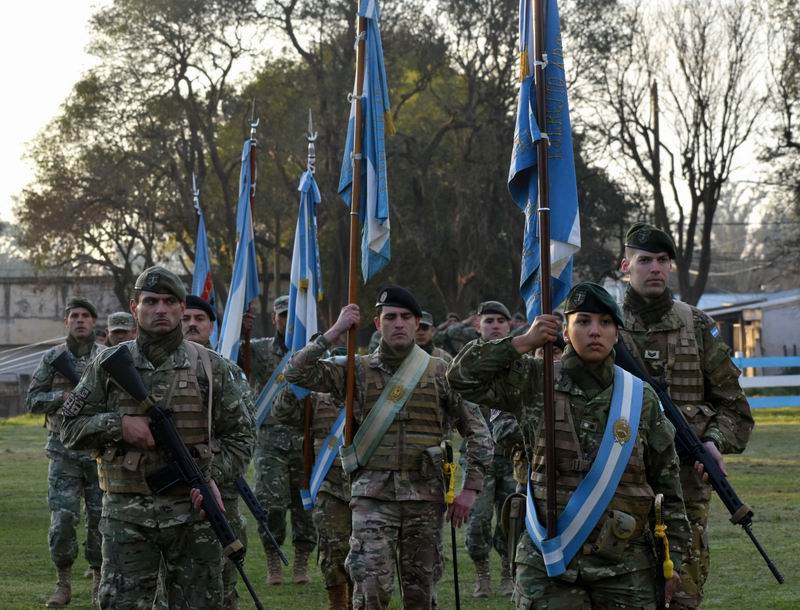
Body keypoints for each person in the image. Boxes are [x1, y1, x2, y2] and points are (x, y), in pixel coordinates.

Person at [447, 282, 691, 609]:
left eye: (605, 323)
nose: (595, 331)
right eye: (583, 321)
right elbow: (461, 377)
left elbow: (667, 485)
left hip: (626, 565)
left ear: (617, 333)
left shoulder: (639, 397)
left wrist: (673, 561)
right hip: (548, 559)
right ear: (565, 330)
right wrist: (523, 341)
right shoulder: (535, 380)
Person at [59, 266, 255, 610]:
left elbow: (242, 436)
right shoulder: (107, 365)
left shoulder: (212, 367)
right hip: (126, 517)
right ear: (135, 307)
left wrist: (212, 476)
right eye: (150, 301)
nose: (160, 309)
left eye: (168, 301)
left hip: (193, 517)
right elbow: (69, 429)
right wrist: (119, 425)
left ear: (182, 307)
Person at [285, 286, 492, 610]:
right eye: (390, 317)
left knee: (420, 593)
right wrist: (335, 331)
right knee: (370, 590)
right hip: (371, 496)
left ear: (417, 323)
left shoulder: (441, 371)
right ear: (377, 324)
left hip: (424, 498)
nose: (398, 323)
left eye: (406, 317)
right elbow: (296, 372)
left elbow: (478, 432)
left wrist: (470, 489)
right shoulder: (356, 369)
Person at [620, 223, 754, 609]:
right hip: (618, 486)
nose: (656, 268)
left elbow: (735, 407)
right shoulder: (601, 326)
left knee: (682, 597)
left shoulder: (696, 325)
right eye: (645, 260)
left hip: (684, 493)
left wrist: (713, 440)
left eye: (663, 260)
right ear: (625, 265)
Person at [26, 297, 106, 608]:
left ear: (94, 322)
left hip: (98, 451)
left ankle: (99, 581)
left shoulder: (107, 357)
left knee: (101, 521)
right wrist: (64, 396)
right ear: (66, 322)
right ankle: (63, 583)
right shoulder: (52, 358)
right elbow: (32, 400)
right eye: (74, 315)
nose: (80, 320)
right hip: (63, 450)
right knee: (62, 522)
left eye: (86, 315)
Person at [182, 294, 253, 610]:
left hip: (219, 493)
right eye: (186, 318)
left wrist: (208, 475)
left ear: (212, 327)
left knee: (224, 580)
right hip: (165, 496)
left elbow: (244, 435)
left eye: (199, 319)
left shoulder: (229, 372)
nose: (192, 324)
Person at [244, 295, 316, 585]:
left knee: (304, 505)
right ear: (274, 318)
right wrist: (242, 330)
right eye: (282, 315)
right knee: (270, 503)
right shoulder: (259, 350)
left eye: (292, 315)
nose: (287, 320)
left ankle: (301, 563)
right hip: (270, 439)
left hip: (304, 438)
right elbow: (232, 357)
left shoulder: (313, 350)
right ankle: (274, 560)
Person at [272, 386, 352, 609]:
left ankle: (359, 601)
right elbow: (281, 411)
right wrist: (296, 380)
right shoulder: (315, 401)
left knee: (364, 553)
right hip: (330, 488)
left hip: (367, 486)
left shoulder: (369, 394)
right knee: (332, 548)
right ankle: (338, 603)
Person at [463, 300, 520, 598]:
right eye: (489, 321)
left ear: (509, 325)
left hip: (512, 457)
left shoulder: (520, 362)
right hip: (479, 457)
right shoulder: (467, 361)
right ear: (477, 325)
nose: (495, 325)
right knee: (478, 521)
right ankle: (482, 574)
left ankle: (508, 574)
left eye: (500, 320)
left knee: (513, 519)